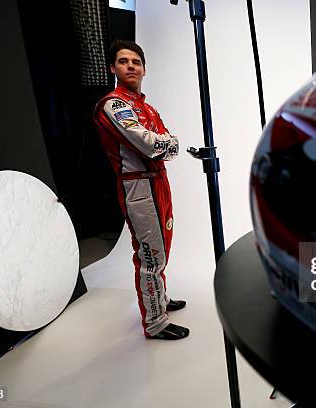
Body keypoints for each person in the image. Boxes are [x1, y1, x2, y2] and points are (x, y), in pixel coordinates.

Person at [93, 40, 189, 340]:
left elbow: (165, 147)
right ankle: (155, 322)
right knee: (150, 255)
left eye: (136, 62)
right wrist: (164, 144)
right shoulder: (114, 104)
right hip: (138, 185)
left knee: (162, 248)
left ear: (144, 69)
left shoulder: (146, 106)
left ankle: (159, 301)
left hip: (158, 180)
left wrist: (163, 145)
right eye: (123, 61)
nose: (131, 66)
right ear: (113, 68)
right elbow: (151, 144)